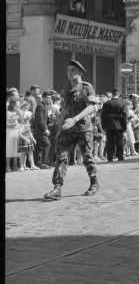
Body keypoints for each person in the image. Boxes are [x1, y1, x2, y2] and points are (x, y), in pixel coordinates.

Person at [44, 60, 99, 200]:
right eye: (68, 70)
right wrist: (58, 131)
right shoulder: (65, 90)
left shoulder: (87, 87)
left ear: (80, 72)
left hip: (83, 129)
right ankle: (57, 188)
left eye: (73, 70)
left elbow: (92, 107)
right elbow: (63, 110)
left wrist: (74, 119)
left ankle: (94, 183)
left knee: (87, 158)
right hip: (67, 130)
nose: (69, 73)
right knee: (61, 158)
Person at [101, 88, 129, 162]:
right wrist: (124, 126)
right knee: (119, 142)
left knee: (110, 142)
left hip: (109, 125)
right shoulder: (122, 103)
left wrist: (104, 126)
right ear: (119, 94)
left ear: (112, 94)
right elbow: (124, 116)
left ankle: (109, 157)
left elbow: (103, 116)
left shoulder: (106, 103)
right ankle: (120, 156)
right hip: (119, 125)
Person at [33, 91, 54, 169]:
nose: (49, 100)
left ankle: (38, 162)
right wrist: (45, 129)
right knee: (47, 144)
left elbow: (44, 119)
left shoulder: (44, 106)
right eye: (48, 98)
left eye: (50, 98)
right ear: (43, 98)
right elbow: (40, 119)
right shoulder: (40, 106)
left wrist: (50, 119)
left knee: (38, 146)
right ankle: (43, 163)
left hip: (40, 130)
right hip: (40, 131)